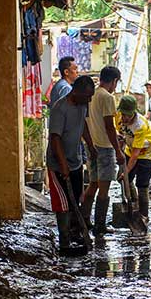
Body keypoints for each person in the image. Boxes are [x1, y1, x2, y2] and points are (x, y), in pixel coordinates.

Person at [46, 75, 96, 251]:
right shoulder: (60, 108)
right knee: (63, 203)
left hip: (75, 161)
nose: (89, 99)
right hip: (57, 163)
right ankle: (64, 241)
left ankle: (76, 233)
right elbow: (55, 138)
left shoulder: (83, 105)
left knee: (76, 199)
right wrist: (63, 164)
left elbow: (82, 124)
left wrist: (90, 145)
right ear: (77, 91)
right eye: (87, 96)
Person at [82, 66, 125, 239]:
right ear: (114, 81)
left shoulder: (91, 95)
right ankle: (100, 226)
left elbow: (86, 122)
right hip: (105, 147)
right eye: (116, 82)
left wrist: (90, 144)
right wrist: (118, 150)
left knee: (92, 184)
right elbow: (109, 125)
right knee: (104, 189)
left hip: (91, 145)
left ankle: (84, 219)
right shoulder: (107, 97)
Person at [116, 94, 151, 221]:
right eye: (123, 114)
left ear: (134, 112)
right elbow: (119, 133)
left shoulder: (139, 125)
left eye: (128, 115)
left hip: (148, 151)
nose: (125, 118)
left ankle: (143, 215)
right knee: (125, 179)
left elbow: (136, 155)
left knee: (142, 183)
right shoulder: (118, 117)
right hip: (131, 148)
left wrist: (126, 171)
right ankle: (133, 204)